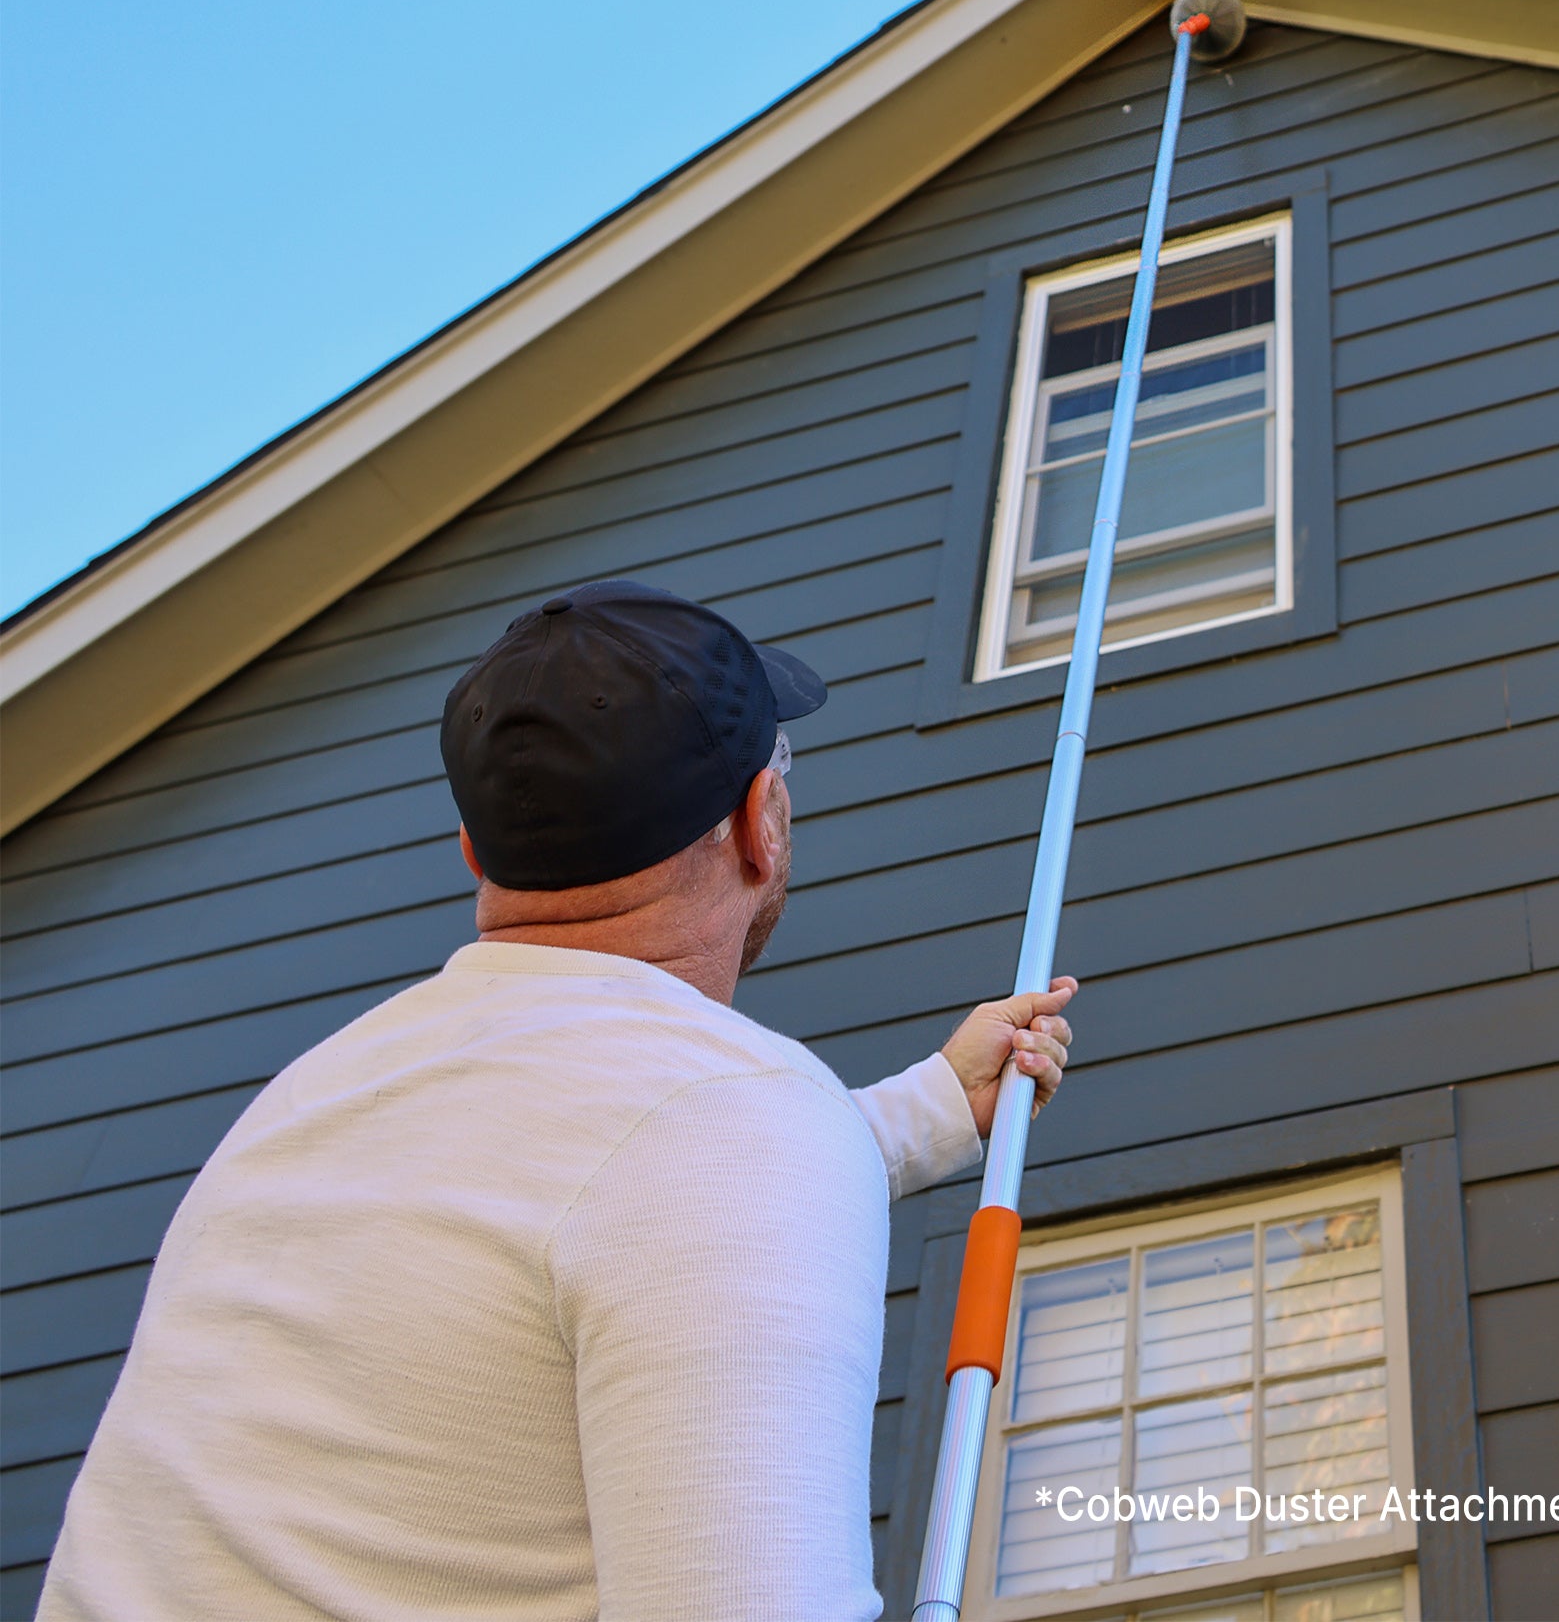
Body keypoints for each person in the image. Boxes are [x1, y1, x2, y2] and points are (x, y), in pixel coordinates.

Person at [39, 580, 1076, 1621]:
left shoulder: (320, 1091)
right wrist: (811, 1135)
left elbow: (583, 1197)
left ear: (476, 855)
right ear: (760, 821)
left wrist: (933, 1104)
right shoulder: (732, 1127)